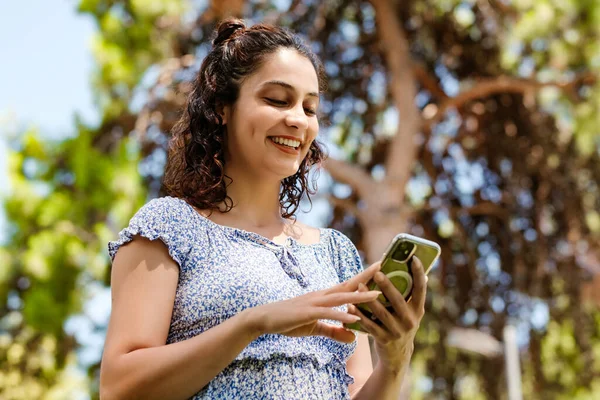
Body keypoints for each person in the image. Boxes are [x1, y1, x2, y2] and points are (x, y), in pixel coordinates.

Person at [99, 18, 427, 400]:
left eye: (310, 108)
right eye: (276, 100)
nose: (297, 120)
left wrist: (396, 357)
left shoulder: (337, 253)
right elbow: (119, 387)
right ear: (222, 108)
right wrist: (254, 322)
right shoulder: (169, 227)